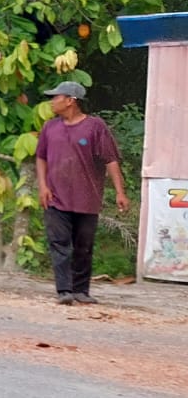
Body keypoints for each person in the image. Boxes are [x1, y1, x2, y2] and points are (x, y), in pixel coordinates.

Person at [35, 80, 129, 305]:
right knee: (59, 243)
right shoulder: (50, 127)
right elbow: (41, 157)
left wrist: (120, 192)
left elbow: (111, 159)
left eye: (56, 97)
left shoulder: (95, 127)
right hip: (56, 197)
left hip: (87, 198)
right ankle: (64, 291)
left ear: (70, 101)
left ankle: (81, 291)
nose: (51, 102)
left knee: (83, 246)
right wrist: (43, 186)